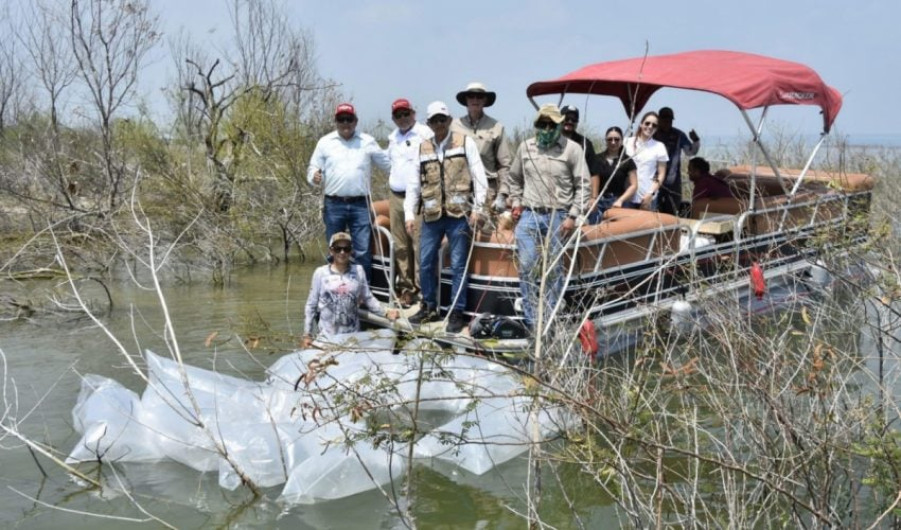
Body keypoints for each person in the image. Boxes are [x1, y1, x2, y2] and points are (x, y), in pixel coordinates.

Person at [405, 101, 488, 333]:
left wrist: (478, 208)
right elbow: (413, 184)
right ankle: (429, 306)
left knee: (459, 264)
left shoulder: (465, 142)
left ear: (449, 120)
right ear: (429, 124)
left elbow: (479, 177)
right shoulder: (422, 148)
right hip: (431, 215)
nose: (439, 124)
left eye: (443, 119)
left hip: (459, 214)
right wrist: (409, 213)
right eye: (435, 120)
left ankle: (456, 312)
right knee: (425, 261)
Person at [508, 103, 589, 328]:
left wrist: (573, 216)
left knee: (554, 268)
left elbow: (583, 185)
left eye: (550, 124)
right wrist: (516, 202)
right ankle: (533, 321)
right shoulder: (525, 147)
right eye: (541, 124)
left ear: (559, 125)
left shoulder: (572, 149)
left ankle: (550, 320)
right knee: (526, 264)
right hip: (531, 213)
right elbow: (514, 178)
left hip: (560, 215)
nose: (546, 129)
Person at [307, 103, 390, 280]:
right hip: (334, 204)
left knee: (362, 251)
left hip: (361, 204)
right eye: (341, 119)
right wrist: (314, 176)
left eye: (349, 119)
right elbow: (312, 168)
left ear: (356, 121)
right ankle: (333, 288)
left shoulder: (367, 141)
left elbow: (388, 164)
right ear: (336, 121)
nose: (346, 123)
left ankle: (361, 293)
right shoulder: (325, 142)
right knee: (334, 249)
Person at [302, 232, 399, 347]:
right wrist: (307, 334)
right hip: (326, 338)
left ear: (351, 251)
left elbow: (368, 298)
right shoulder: (320, 273)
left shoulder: (358, 271)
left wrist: (386, 312)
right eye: (338, 249)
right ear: (331, 251)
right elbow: (311, 305)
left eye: (346, 249)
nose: (342, 252)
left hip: (352, 338)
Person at [386, 98, 433, 307]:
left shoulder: (426, 133)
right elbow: (388, 162)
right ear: (393, 118)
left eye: (406, 114)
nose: (403, 118)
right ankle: (406, 289)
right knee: (400, 245)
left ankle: (422, 290)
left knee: (418, 244)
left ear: (414, 113)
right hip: (396, 196)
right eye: (398, 115)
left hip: (419, 198)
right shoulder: (392, 138)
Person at [450, 82, 512, 211]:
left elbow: (504, 164)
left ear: (485, 100)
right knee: (459, 230)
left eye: (479, 97)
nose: (475, 100)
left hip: (487, 189)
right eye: (471, 96)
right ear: (466, 100)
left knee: (485, 229)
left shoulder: (496, 127)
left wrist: (502, 194)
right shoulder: (453, 126)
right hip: (459, 189)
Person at [654, 106, 700, 216]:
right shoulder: (652, 134)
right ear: (659, 119)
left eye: (669, 120)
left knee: (672, 211)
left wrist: (696, 141)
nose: (667, 122)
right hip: (653, 180)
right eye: (664, 119)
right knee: (654, 211)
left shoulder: (678, 135)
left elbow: (690, 152)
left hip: (673, 181)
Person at [591, 126, 638, 222]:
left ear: (621, 141)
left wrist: (621, 200)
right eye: (610, 139)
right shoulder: (597, 159)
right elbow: (592, 180)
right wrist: (593, 199)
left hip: (618, 202)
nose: (613, 142)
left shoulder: (627, 161)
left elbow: (634, 185)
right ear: (605, 140)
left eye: (616, 139)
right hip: (599, 201)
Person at [624, 111, 669, 211]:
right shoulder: (627, 142)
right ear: (641, 124)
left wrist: (651, 193)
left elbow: (661, 174)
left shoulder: (659, 147)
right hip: (627, 196)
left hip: (647, 198)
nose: (650, 127)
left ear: (656, 129)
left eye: (654, 125)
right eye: (647, 123)